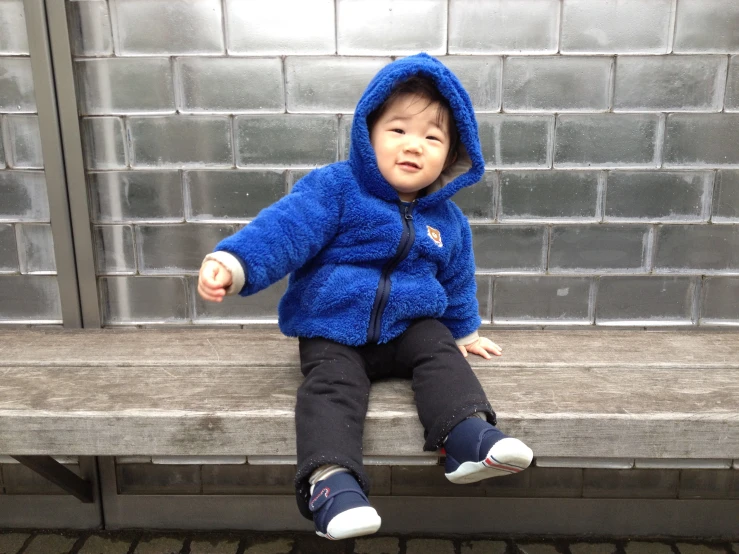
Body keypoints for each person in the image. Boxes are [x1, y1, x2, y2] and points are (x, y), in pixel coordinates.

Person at [197, 53, 533, 540]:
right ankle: (331, 485)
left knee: (439, 349)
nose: (414, 145)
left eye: (432, 138)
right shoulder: (337, 188)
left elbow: (457, 280)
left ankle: (465, 439)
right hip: (332, 330)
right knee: (330, 388)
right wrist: (234, 263)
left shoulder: (448, 221)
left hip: (407, 328)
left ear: (453, 155)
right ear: (368, 133)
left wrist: (466, 330)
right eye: (398, 131)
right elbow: (284, 230)